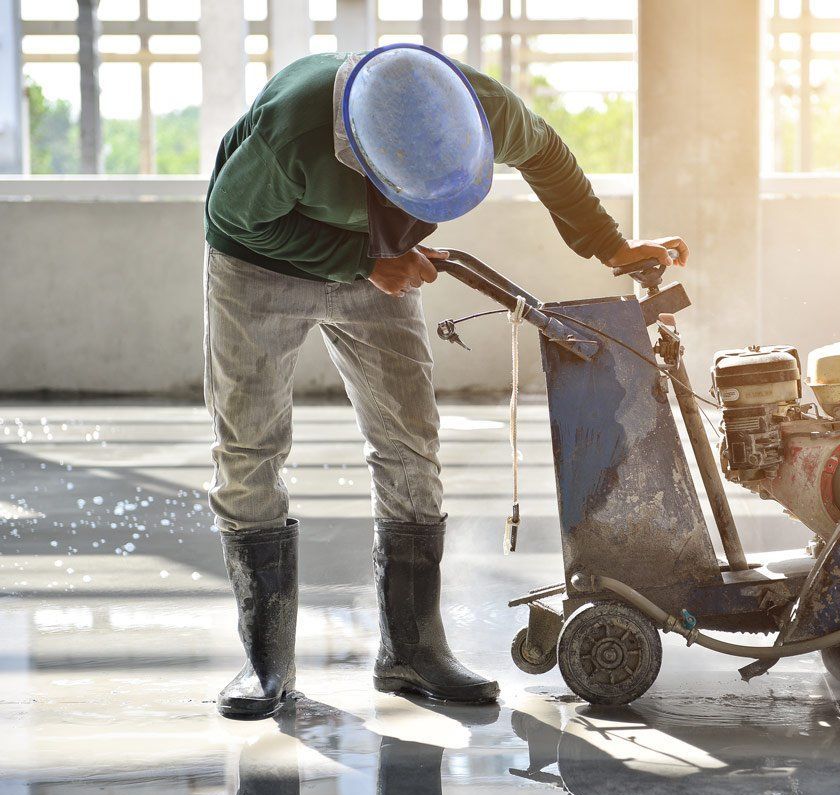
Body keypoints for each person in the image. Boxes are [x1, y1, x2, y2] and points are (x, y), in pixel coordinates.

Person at [203, 43, 688, 718]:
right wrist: (359, 259)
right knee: (250, 447)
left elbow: (545, 154)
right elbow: (233, 218)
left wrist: (609, 245)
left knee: (409, 442)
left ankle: (412, 650)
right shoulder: (294, 135)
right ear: (363, 161)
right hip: (260, 264)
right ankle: (266, 665)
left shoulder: (477, 106)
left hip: (379, 259)